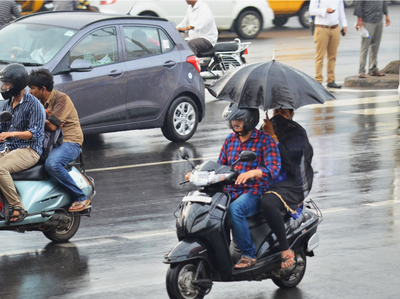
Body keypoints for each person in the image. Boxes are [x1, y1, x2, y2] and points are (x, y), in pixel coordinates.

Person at [216, 103, 281, 269]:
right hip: (231, 189)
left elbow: (273, 167)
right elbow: (220, 166)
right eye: (232, 120)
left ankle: (248, 254)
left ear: (250, 120)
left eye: (239, 120)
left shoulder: (264, 140)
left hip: (255, 191)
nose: (234, 124)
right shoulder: (230, 140)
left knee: (235, 210)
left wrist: (253, 172)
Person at [28, 68, 90, 213]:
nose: (30, 92)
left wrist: (38, 118)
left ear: (43, 89)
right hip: (48, 142)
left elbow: (52, 126)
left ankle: (80, 197)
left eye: (32, 89)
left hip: (69, 142)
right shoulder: (36, 101)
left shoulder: (62, 99)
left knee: (53, 164)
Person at [260, 108, 314, 269]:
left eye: (282, 112)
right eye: (276, 111)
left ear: (291, 114)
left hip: (291, 182)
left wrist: (272, 136)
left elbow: (290, 164)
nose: (278, 116)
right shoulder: (265, 128)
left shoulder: (297, 134)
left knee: (268, 202)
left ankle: (285, 249)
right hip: (268, 178)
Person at [0, 63, 46, 223]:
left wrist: (11, 133)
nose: (4, 87)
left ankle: (17, 207)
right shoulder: (6, 104)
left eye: (7, 84)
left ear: (17, 84)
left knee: (0, 168)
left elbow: (36, 133)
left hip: (29, 150)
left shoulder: (34, 105)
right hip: (9, 148)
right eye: (3, 83)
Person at [309, 0, 347, 89]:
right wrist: (325, 10)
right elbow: (312, 10)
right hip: (322, 27)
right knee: (320, 56)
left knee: (332, 56)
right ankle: (318, 80)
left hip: (335, 27)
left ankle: (331, 80)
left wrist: (344, 24)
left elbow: (341, 10)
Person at [354, 1, 390, 78]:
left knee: (375, 46)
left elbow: (384, 2)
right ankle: (361, 70)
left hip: (379, 20)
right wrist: (359, 20)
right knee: (365, 46)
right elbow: (359, 5)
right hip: (367, 21)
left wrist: (386, 15)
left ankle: (373, 68)